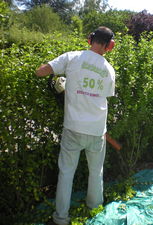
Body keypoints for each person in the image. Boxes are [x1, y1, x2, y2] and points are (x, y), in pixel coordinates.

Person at [36, 26, 116, 225]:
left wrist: (61, 83)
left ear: (90, 39)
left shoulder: (71, 57)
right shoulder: (109, 69)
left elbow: (41, 72)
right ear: (109, 46)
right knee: (96, 171)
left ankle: (61, 219)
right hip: (97, 131)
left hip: (73, 128)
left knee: (66, 173)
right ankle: (94, 207)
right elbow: (103, 96)